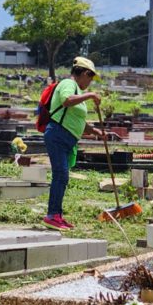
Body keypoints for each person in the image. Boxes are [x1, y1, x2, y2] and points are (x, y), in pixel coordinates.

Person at [42, 56, 101, 231]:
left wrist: (95, 131)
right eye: (90, 78)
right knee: (60, 175)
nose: (90, 82)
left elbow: (77, 121)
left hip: (65, 138)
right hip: (58, 135)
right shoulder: (68, 84)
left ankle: (57, 215)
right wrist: (90, 96)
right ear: (84, 73)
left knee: (62, 176)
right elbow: (66, 100)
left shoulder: (79, 92)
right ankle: (52, 215)